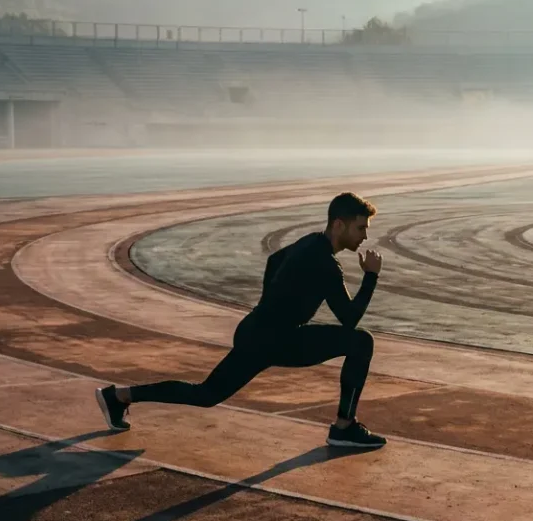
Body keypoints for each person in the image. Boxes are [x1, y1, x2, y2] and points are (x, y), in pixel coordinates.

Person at [94, 192, 387, 448]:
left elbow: (274, 262)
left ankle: (119, 397)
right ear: (339, 224)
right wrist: (371, 276)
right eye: (361, 227)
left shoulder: (309, 242)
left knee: (206, 394)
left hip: (260, 331)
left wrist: (269, 306)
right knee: (360, 341)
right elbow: (349, 319)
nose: (364, 236)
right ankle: (344, 428)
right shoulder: (325, 263)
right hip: (274, 340)